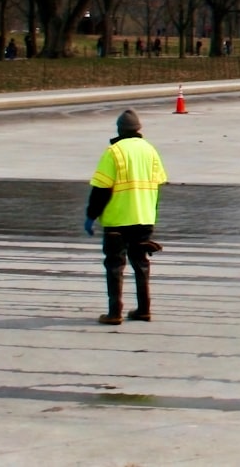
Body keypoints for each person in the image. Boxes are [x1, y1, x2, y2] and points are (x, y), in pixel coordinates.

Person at [84, 109, 168, 325]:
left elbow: (101, 189)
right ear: (138, 129)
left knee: (114, 265)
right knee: (141, 264)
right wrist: (151, 215)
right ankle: (144, 309)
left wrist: (91, 215)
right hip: (144, 218)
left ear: (120, 129)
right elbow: (157, 186)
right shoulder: (150, 151)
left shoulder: (114, 152)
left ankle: (114, 313)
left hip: (117, 220)